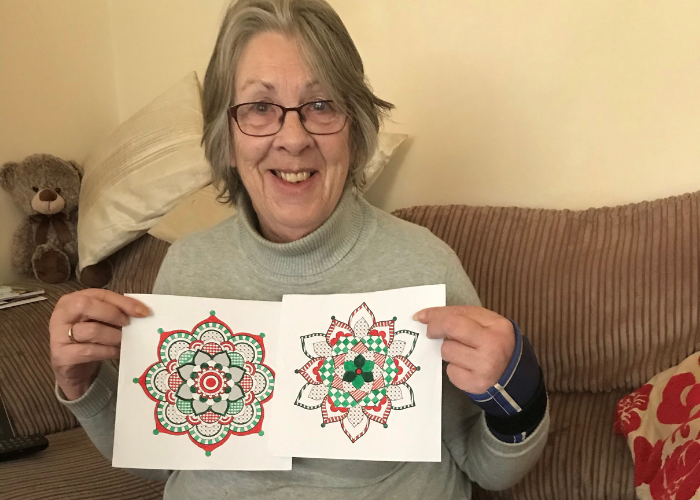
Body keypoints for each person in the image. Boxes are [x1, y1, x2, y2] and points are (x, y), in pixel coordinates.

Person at [49, 0, 549, 498]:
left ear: (354, 127)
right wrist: (83, 384)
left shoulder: (422, 266)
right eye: (260, 107)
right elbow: (165, 461)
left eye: (321, 105)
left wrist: (517, 389)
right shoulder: (188, 265)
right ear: (227, 136)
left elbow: (489, 468)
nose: (293, 138)